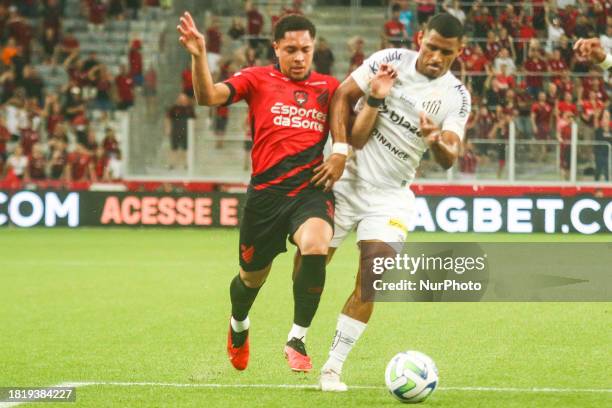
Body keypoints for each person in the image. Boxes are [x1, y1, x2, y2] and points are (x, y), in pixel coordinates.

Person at [177, 12, 347, 372]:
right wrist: (198, 55)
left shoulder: (330, 87)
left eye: (305, 49)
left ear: (314, 48)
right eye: (291, 49)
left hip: (309, 190)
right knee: (251, 279)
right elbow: (207, 97)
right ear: (276, 48)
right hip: (265, 197)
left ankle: (297, 337)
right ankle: (239, 323)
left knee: (316, 244)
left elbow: (347, 131)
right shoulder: (256, 79)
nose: (299, 57)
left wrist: (339, 152)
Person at [315, 13, 470, 391]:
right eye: (431, 46)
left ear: (458, 51)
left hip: (391, 195)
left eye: (446, 52)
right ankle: (297, 334)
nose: (436, 56)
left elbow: (451, 155)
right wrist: (339, 149)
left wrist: (434, 139)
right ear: (420, 38)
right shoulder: (389, 61)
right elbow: (342, 95)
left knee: (372, 278)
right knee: (310, 264)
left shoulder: (457, 97)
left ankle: (332, 368)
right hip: (347, 182)